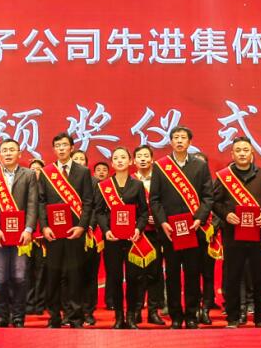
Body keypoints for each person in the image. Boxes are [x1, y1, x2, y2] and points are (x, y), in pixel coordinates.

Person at [148, 126, 214, 329]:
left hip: (193, 229)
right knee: (173, 275)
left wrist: (199, 219)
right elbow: (155, 199)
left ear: (189, 142)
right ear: (170, 142)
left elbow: (208, 197)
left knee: (193, 274)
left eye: (183, 137)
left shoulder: (200, 165)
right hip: (170, 231)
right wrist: (163, 222)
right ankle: (176, 316)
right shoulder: (161, 166)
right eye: (175, 137)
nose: (179, 141)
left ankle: (191, 315)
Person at [212, 137, 261, 328]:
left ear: (252, 153)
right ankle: (233, 318)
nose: (242, 153)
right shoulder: (224, 176)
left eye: (245, 150)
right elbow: (214, 202)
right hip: (232, 234)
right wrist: (226, 214)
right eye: (238, 150)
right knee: (232, 277)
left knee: (258, 277)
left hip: (256, 234)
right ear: (232, 154)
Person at [37, 132, 94, 328]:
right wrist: (44, 226)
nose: (61, 148)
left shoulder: (83, 172)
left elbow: (88, 202)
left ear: (72, 147)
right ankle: (54, 317)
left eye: (64, 145)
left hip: (75, 232)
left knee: (74, 276)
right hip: (53, 233)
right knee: (53, 276)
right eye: (57, 145)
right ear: (54, 149)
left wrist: (82, 226)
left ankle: (76, 317)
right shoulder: (47, 172)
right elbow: (41, 201)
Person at [0, 139, 39, 328]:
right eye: (4, 150)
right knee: (0, 277)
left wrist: (29, 229)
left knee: (19, 276)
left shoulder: (29, 174)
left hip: (22, 234)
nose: (7, 153)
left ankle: (18, 317)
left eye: (11, 150)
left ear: (19, 154)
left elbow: (32, 203)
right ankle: (1, 316)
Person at [93, 146, 152, 329]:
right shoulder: (104, 186)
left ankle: (131, 316)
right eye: (116, 158)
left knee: (134, 278)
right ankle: (119, 317)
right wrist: (105, 230)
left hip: (133, 239)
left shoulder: (137, 185)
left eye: (123, 157)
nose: (120, 161)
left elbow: (143, 212)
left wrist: (139, 229)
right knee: (115, 278)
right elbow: (99, 211)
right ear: (112, 163)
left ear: (130, 161)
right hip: (112, 239)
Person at [132, 145, 167, 326]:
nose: (143, 159)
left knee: (155, 273)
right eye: (139, 156)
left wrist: (160, 218)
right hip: (136, 234)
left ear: (152, 159)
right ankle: (136, 310)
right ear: (134, 161)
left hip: (156, 233)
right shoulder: (129, 180)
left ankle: (153, 311)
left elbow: (167, 203)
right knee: (136, 274)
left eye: (146, 156)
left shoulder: (160, 179)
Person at [25, 157, 50, 317]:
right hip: (26, 235)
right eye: (32, 169)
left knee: (41, 272)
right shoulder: (24, 186)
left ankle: (40, 303)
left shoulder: (47, 187)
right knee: (27, 272)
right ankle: (28, 303)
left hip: (42, 236)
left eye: (38, 169)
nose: (35, 171)